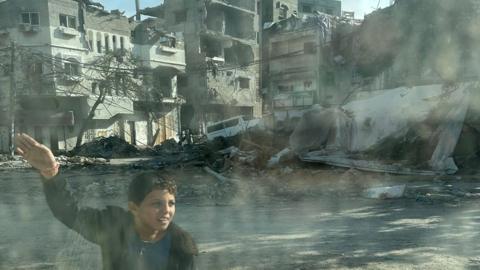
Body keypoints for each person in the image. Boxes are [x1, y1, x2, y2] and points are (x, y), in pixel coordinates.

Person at [15, 133, 198, 270]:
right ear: (134, 207)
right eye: (156, 204)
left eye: (171, 203)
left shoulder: (182, 245)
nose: (166, 211)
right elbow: (70, 212)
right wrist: (51, 173)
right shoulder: (112, 227)